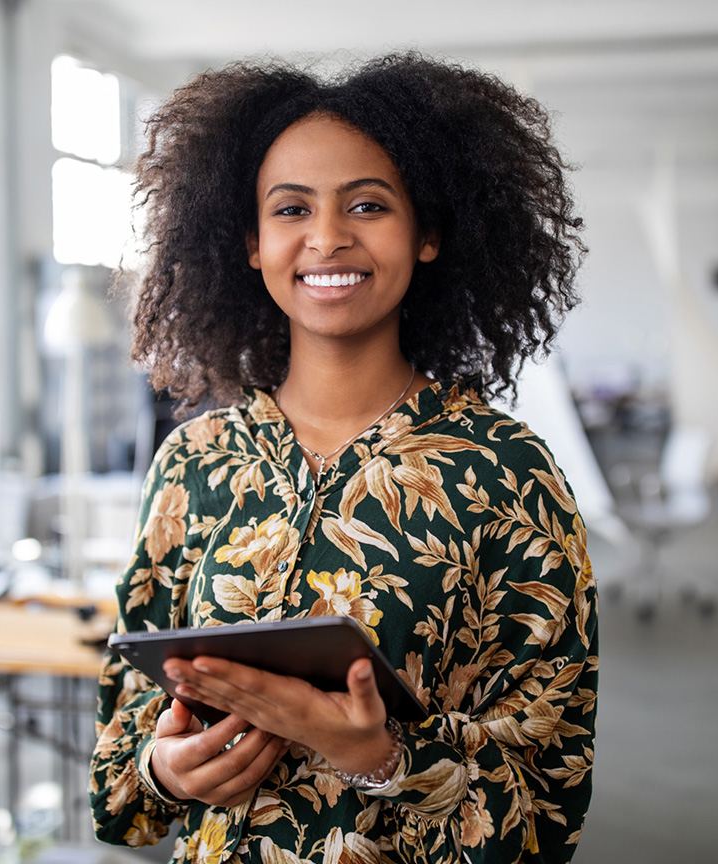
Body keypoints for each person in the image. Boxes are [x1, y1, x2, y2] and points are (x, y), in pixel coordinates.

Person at [90, 52, 597, 864]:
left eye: (367, 204)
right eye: (291, 208)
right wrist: (164, 771)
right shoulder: (195, 463)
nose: (327, 237)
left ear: (427, 234)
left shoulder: (508, 474)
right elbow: (119, 773)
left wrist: (384, 758)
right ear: (251, 243)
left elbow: (548, 808)